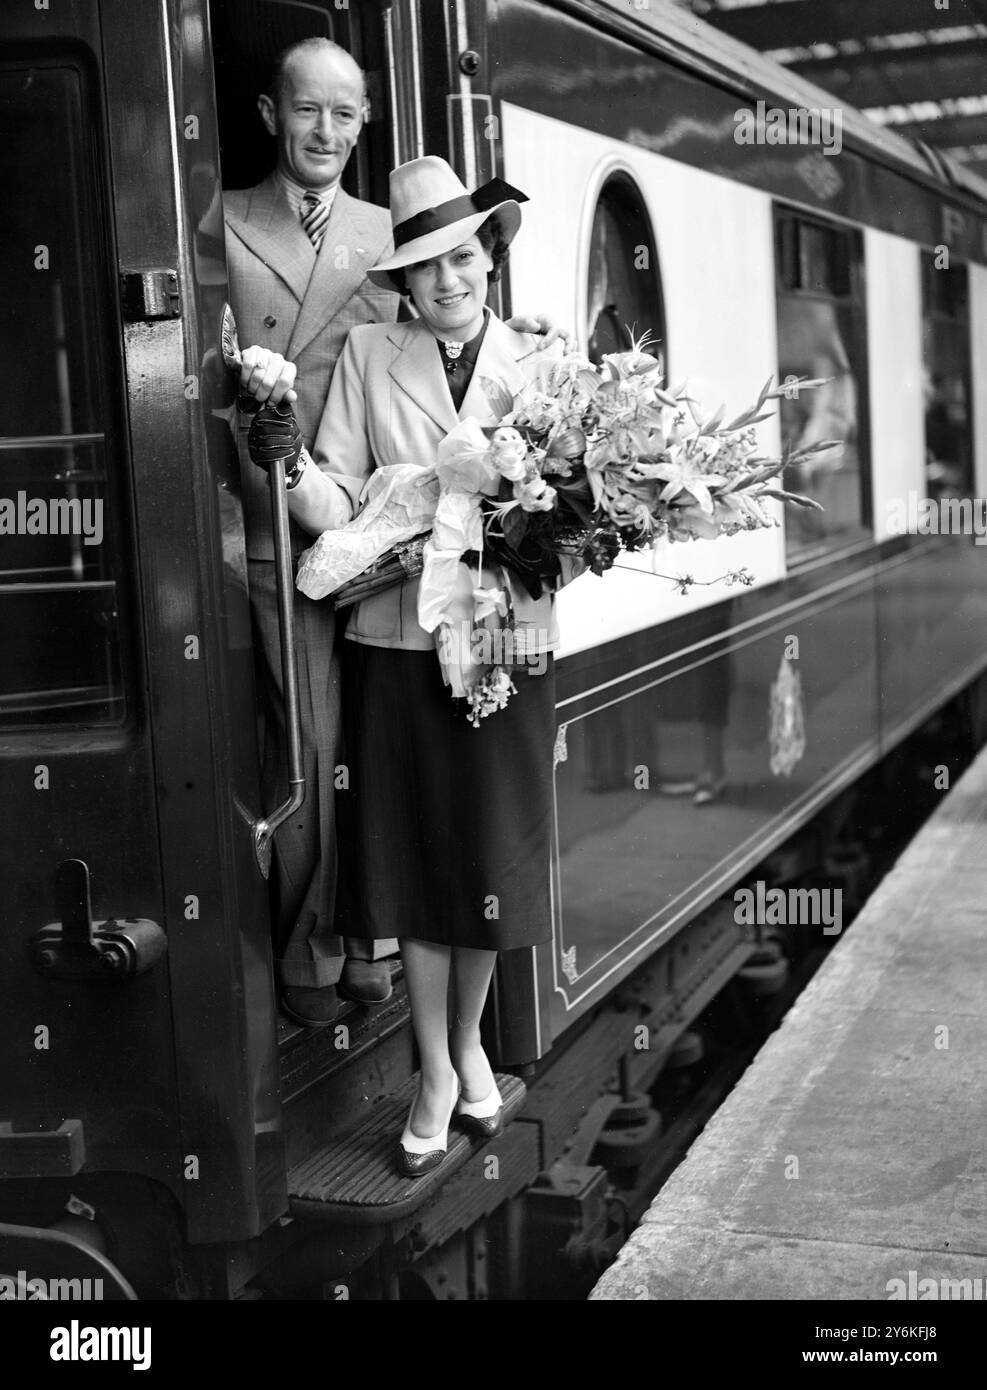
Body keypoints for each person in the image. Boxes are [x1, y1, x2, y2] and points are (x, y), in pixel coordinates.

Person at [227, 38, 566, 1026]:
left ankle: (437, 1027)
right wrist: (279, 449)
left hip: (484, 625)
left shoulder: (506, 330)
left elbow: (571, 496)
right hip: (341, 583)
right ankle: (346, 976)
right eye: (305, 109)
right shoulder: (232, 233)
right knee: (351, 789)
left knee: (476, 835)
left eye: (345, 112)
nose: (326, 130)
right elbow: (324, 476)